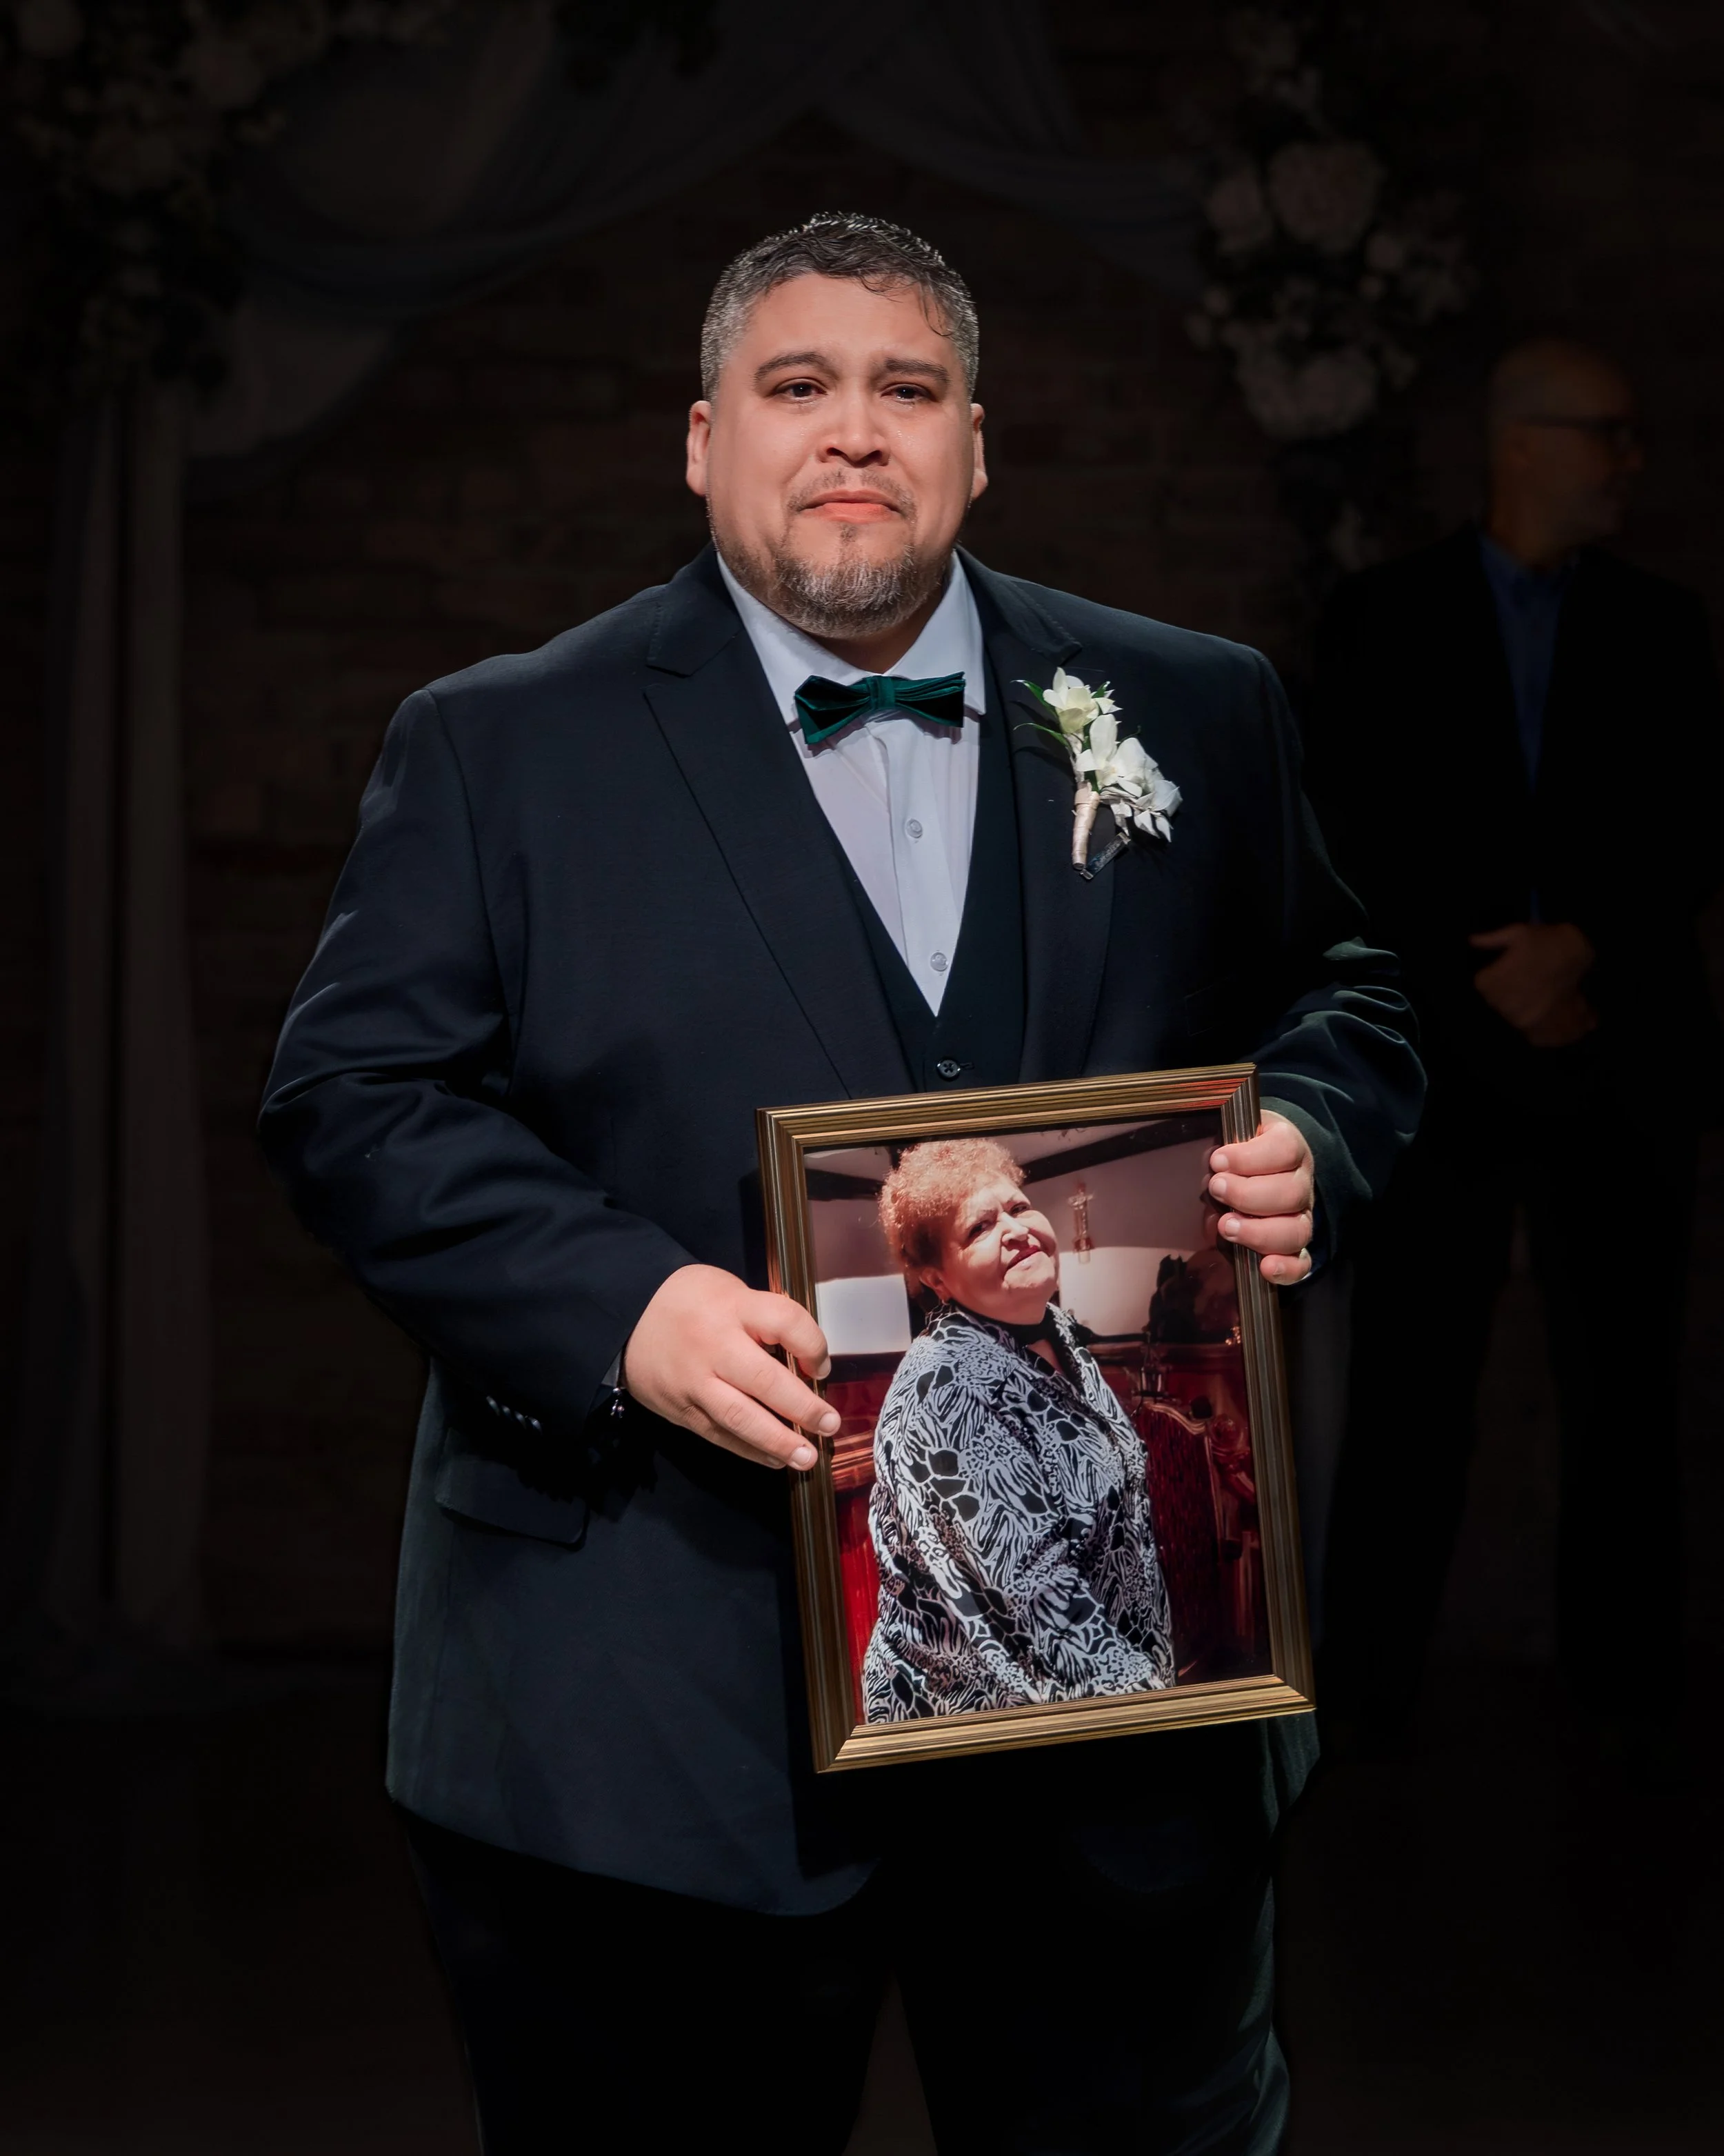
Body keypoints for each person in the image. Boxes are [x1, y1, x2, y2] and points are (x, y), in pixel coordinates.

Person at [260, 213, 1423, 2155]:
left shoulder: (1194, 705)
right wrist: (620, 1308)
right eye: (796, 384)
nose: (853, 429)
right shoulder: (498, 744)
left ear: (977, 441)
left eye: (907, 388)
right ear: (702, 438)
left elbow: (1347, 990)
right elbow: (353, 1096)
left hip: (1122, 1736)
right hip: (647, 1717)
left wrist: (1313, 1125)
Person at [1305, 338, 1724, 1753]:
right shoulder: (1382, 618)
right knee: (1410, 1394)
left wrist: (1580, 946)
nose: (1628, 462)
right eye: (1606, 432)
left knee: (1627, 1391)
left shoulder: (1662, 626)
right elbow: (1349, 836)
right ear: (1521, 443)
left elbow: (1695, 823)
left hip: (1620, 1054)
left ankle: (1629, 1708)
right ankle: (1363, 1716)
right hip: (1442, 1067)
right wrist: (1489, 982)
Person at [861, 1137, 1175, 1721]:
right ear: (936, 1278)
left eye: (1019, 1207)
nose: (1015, 1230)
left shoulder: (1060, 1335)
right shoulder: (944, 1388)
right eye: (979, 1228)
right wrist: (1158, 1713)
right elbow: (1038, 1598)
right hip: (990, 1720)